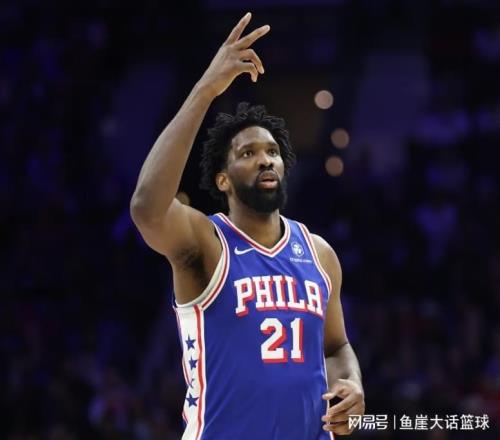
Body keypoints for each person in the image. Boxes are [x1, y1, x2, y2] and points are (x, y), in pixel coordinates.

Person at [130, 12, 364, 439]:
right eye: (248, 153)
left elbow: (336, 347)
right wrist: (206, 90)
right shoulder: (206, 244)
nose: (265, 159)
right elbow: (147, 208)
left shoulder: (319, 254)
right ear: (223, 180)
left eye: (272, 152)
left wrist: (352, 383)